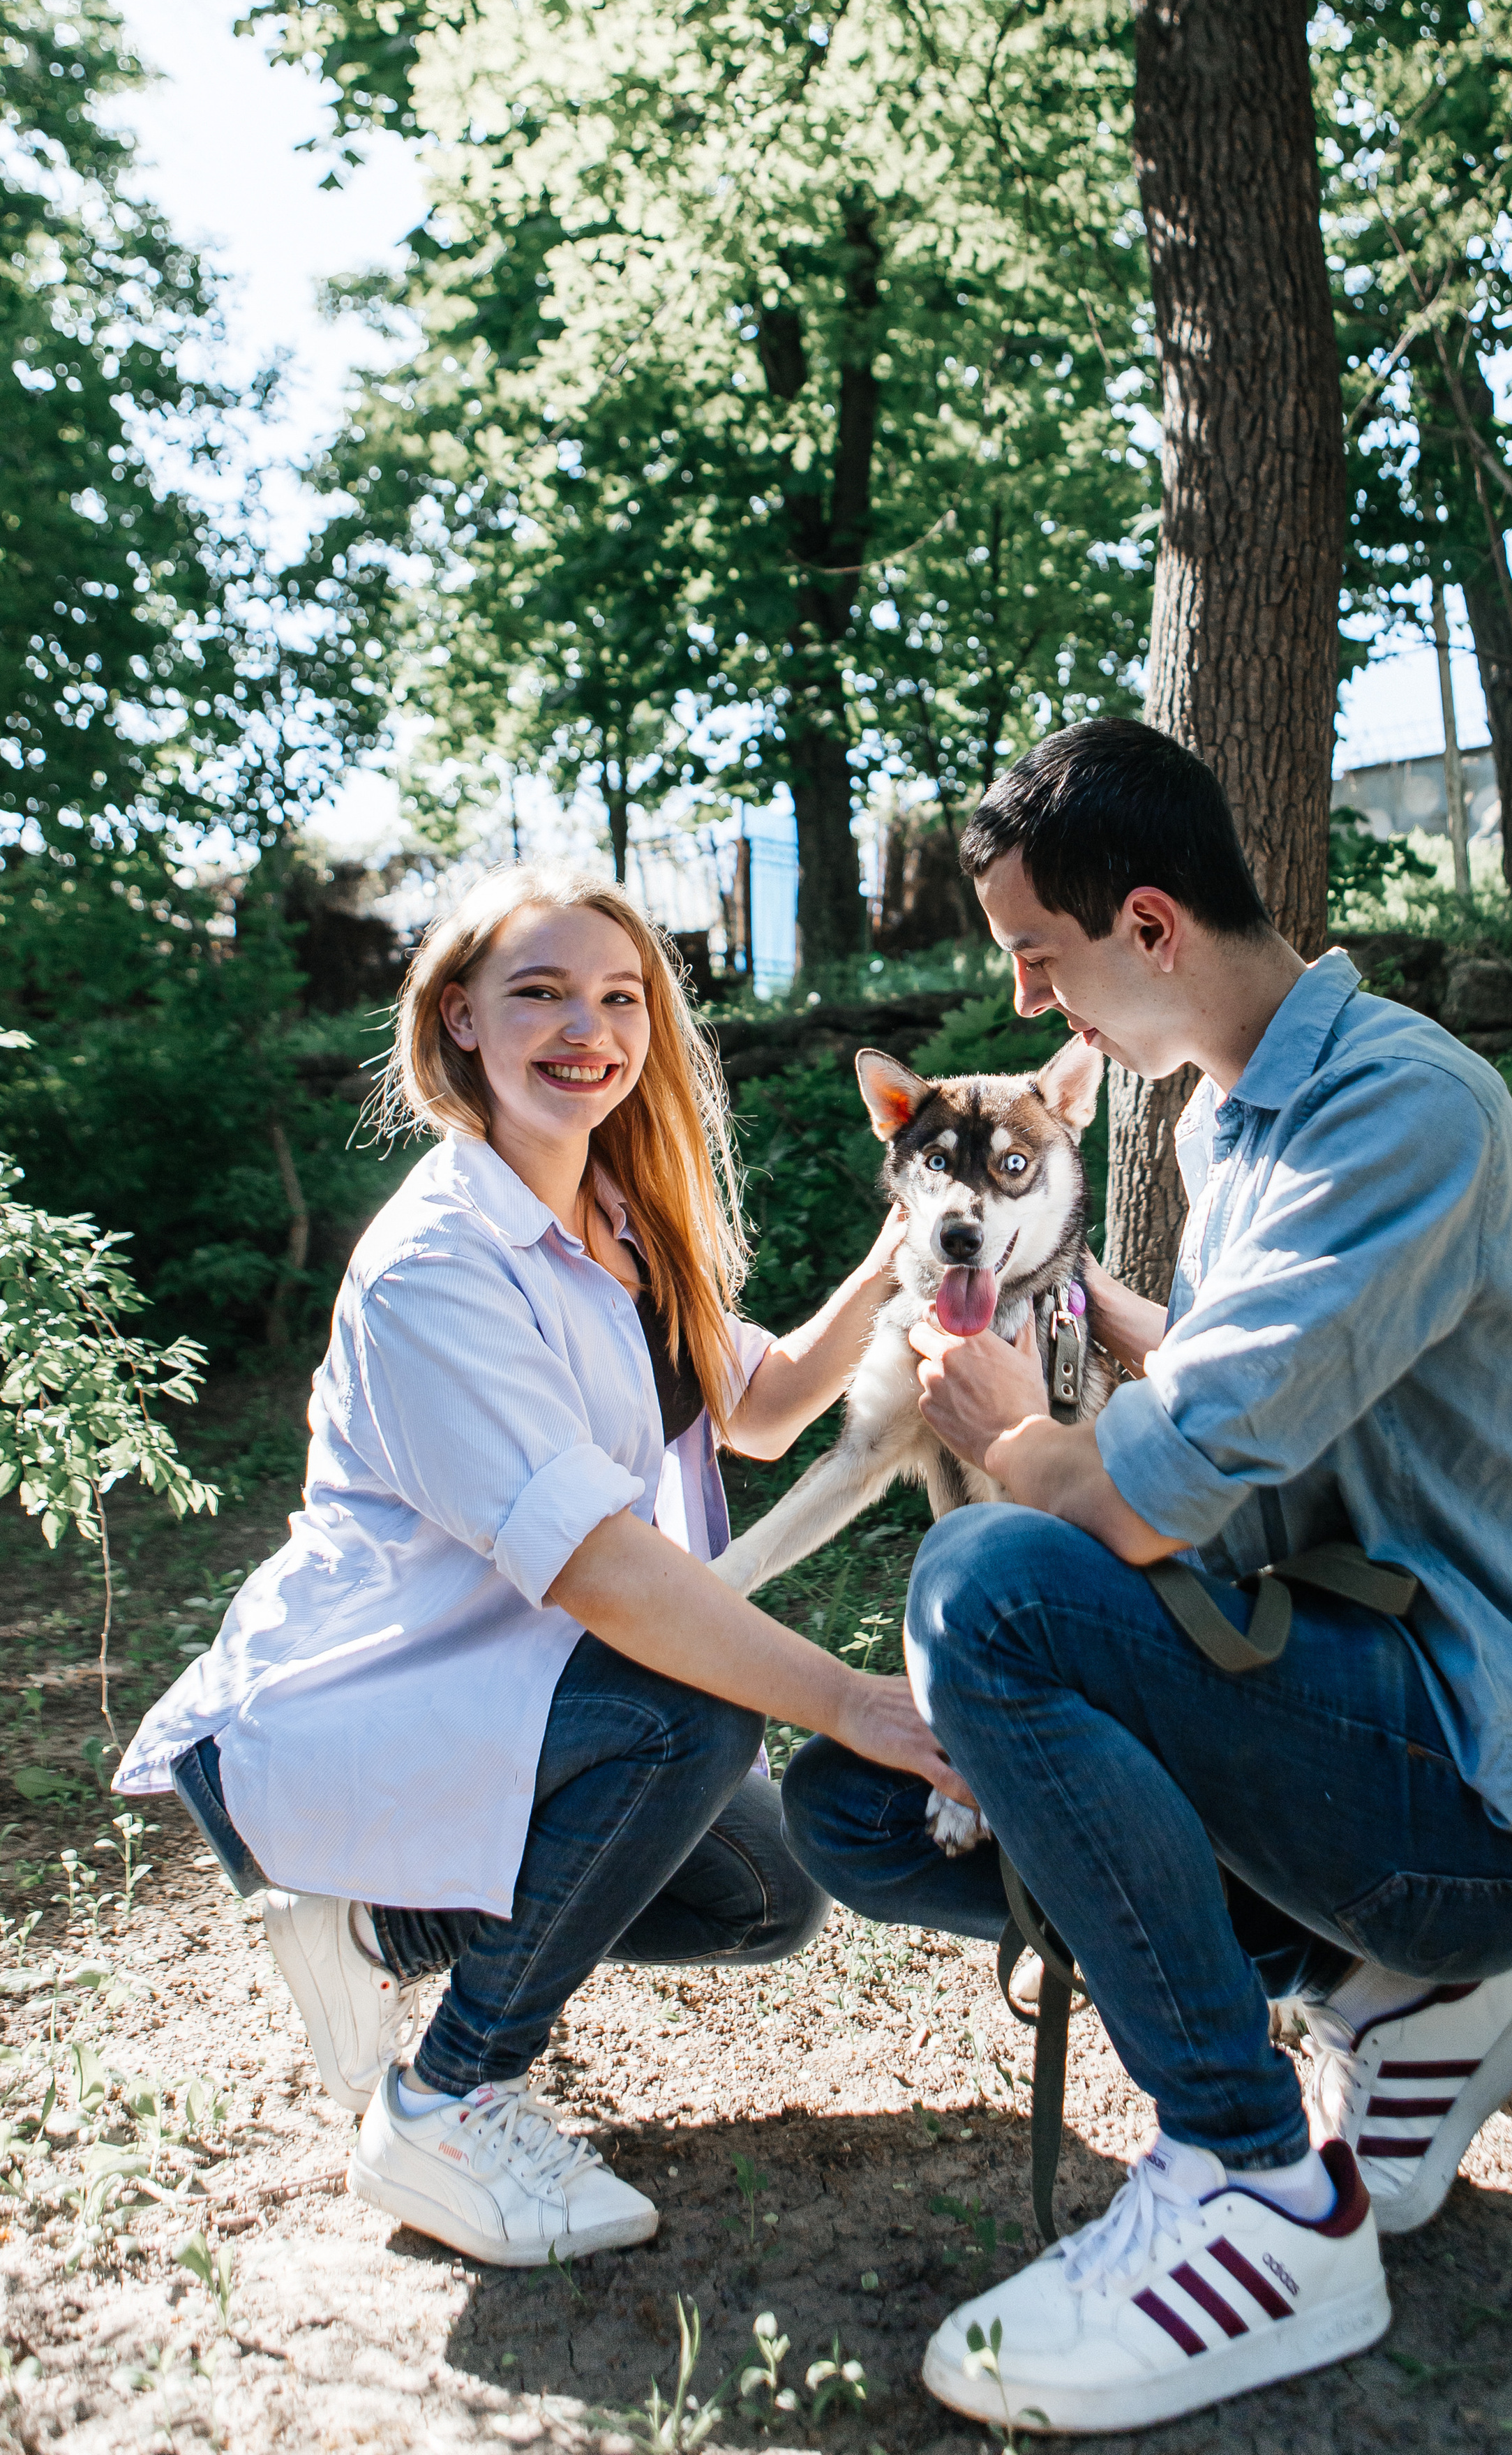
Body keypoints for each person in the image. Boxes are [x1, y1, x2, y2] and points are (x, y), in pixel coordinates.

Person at [781, 718, 1512, 2432]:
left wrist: (1024, 1433)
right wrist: (1117, 1325)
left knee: (984, 1585)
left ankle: (1257, 2188)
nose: (1028, 1002)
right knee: (855, 1808)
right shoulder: (1221, 1128)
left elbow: (1144, 1498)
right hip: (1321, 1702)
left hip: (1466, 1777)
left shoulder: (1394, 1109)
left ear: (1148, 928)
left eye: (1038, 956)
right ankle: (1380, 1988)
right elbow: (1282, 1403)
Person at [116, 865, 966, 2269]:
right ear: (458, 1019)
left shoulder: (627, 1222)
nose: (589, 1027)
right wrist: (853, 1703)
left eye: (618, 997)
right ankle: (450, 2098)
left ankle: (380, 1925)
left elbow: (754, 1410)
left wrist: (898, 1258)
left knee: (763, 1895)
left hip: (516, 1690)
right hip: (368, 1703)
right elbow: (603, 1576)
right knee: (685, 1709)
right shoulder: (437, 1266)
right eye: (540, 993)